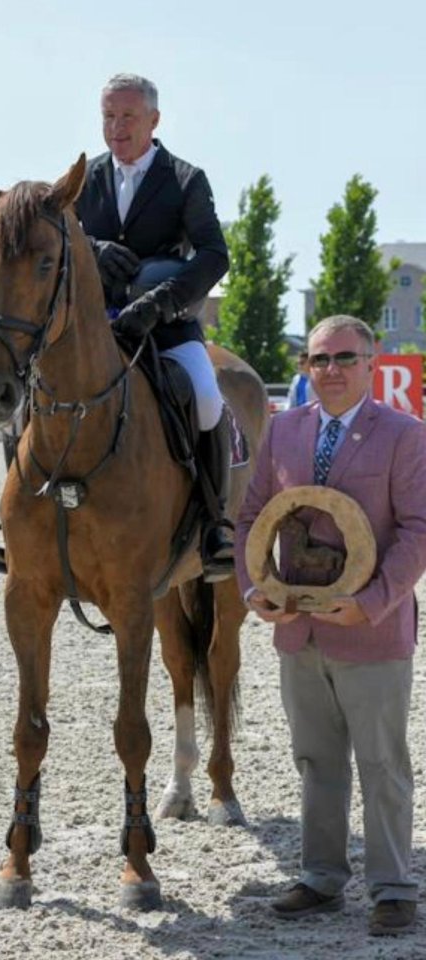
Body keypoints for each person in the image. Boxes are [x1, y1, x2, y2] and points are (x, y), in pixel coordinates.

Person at [0, 73, 233, 581]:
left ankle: (213, 524)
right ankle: (15, 526)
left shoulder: (185, 178)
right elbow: (52, 240)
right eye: (109, 117)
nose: (117, 127)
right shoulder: (82, 179)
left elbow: (213, 255)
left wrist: (161, 303)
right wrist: (95, 250)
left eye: (128, 117)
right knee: (25, 405)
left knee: (207, 397)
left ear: (153, 120)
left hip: (164, 323)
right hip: (88, 328)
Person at [235, 314, 426, 937]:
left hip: (372, 630)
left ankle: (392, 887)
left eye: (345, 358)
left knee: (382, 763)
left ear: (371, 363)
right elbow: (251, 518)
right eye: (319, 359)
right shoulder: (282, 429)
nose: (332, 370)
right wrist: (254, 589)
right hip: (298, 630)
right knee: (316, 760)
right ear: (306, 367)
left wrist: (370, 602)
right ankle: (321, 877)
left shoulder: (405, 435)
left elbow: (418, 531)